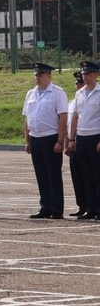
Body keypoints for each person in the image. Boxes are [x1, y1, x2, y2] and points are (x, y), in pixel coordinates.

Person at [22, 62, 68, 219]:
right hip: (35, 137)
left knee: (53, 174)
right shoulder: (31, 94)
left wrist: (60, 141)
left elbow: (63, 117)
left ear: (49, 76)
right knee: (41, 175)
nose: (37, 77)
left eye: (40, 74)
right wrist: (27, 140)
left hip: (50, 137)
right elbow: (27, 118)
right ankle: (45, 207)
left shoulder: (57, 93)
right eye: (36, 74)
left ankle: (56, 209)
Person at [70, 60, 100, 221]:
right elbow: (75, 116)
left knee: (97, 175)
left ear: (95, 75)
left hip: (96, 136)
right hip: (81, 137)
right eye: (84, 74)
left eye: (88, 74)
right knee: (86, 175)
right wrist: (71, 138)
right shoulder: (79, 93)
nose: (85, 77)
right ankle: (91, 208)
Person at [67, 71, 87, 216]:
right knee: (77, 176)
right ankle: (82, 205)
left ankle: (93, 206)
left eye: (81, 82)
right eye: (77, 83)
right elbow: (69, 124)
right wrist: (68, 142)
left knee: (89, 175)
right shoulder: (71, 103)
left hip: (87, 138)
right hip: (74, 142)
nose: (79, 85)